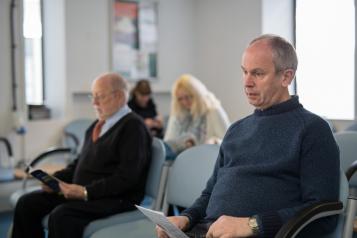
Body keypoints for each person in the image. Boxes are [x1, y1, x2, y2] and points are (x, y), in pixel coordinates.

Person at [157, 34, 340, 237]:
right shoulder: (236, 130)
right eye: (244, 72)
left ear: (286, 77)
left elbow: (322, 213)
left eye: (258, 74)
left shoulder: (312, 129)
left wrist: (252, 225)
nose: (247, 82)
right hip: (206, 232)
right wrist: (187, 218)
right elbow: (210, 193)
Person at [12, 72, 152, 238]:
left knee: (62, 216)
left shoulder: (133, 127)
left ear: (120, 97)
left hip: (115, 198)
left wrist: (86, 192)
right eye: (92, 97)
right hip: (87, 193)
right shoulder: (97, 125)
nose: (94, 103)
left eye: (100, 97)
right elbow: (79, 164)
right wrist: (55, 181)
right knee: (27, 203)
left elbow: (127, 178)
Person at [164, 74, 230, 158]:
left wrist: (215, 142)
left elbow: (228, 142)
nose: (184, 102)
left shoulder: (213, 110)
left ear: (197, 94)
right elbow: (168, 142)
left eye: (188, 97)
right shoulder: (179, 114)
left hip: (207, 159)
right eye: (180, 99)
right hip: (184, 160)